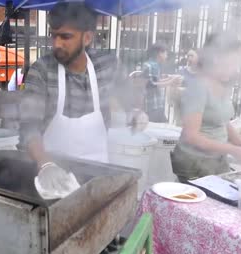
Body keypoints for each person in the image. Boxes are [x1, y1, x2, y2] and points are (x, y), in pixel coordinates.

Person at [19, 3, 146, 193]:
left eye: (65, 37)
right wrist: (45, 164)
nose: (57, 44)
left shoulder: (107, 65)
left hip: (99, 176)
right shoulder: (42, 71)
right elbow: (29, 127)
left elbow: (126, 93)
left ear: (87, 37)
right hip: (55, 179)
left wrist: (135, 111)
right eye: (53, 35)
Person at [171, 33, 241, 182]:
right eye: (232, 63)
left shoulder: (222, 85)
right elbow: (191, 136)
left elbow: (223, 121)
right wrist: (233, 150)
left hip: (216, 161)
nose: (235, 69)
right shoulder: (198, 87)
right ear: (215, 58)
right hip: (194, 164)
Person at [142, 43, 182, 122]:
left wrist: (169, 79)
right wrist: (171, 81)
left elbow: (156, 81)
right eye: (165, 53)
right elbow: (152, 85)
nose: (166, 56)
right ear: (160, 53)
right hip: (152, 105)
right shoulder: (151, 66)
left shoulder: (153, 65)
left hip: (156, 104)